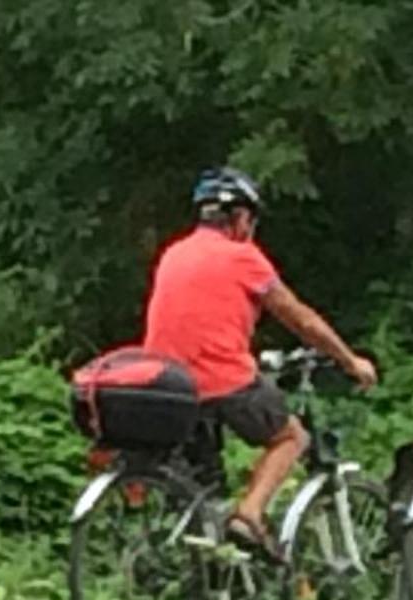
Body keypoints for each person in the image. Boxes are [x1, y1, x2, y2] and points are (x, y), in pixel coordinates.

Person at [143, 167, 378, 565]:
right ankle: (250, 515)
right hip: (220, 380)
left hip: (166, 384)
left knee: (204, 491)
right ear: (240, 218)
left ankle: (208, 584)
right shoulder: (242, 256)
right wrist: (349, 360)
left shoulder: (174, 252)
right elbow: (299, 318)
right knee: (291, 438)